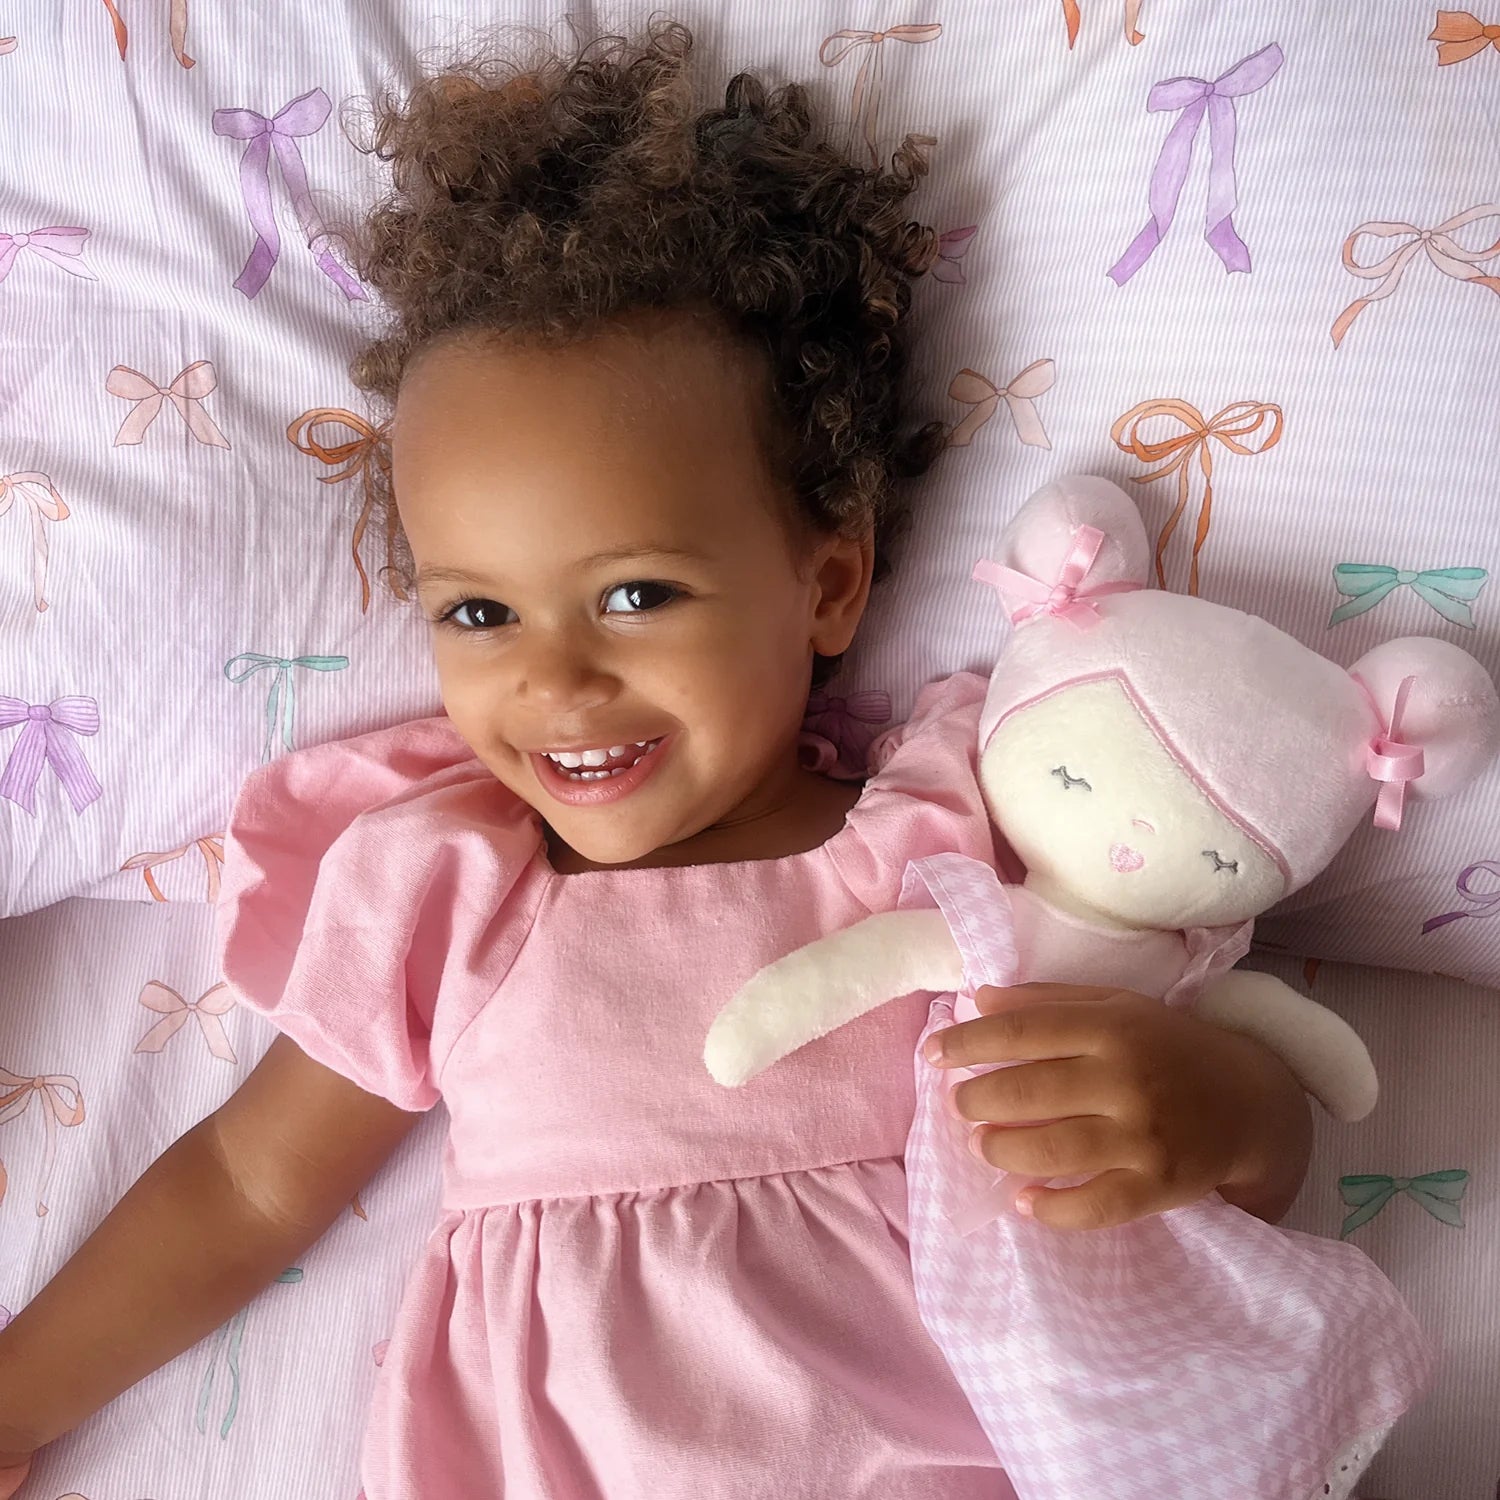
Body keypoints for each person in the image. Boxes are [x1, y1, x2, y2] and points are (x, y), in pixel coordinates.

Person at [0, 24, 1316, 1499]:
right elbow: (247, 1185)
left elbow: (1234, 1156)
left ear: (828, 583)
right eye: (479, 614)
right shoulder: (450, 895)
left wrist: (1223, 1110)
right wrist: (17, 1400)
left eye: (636, 594)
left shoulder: (956, 831)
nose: (556, 681)